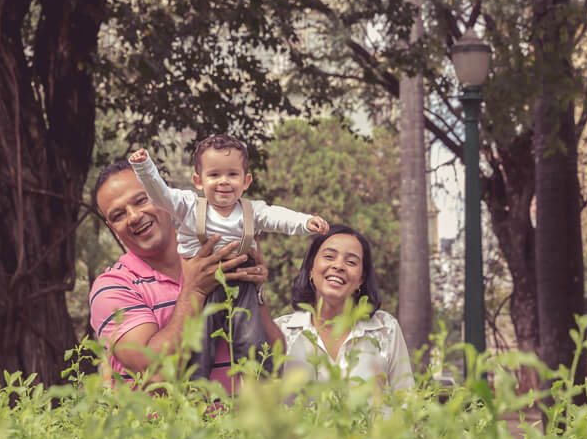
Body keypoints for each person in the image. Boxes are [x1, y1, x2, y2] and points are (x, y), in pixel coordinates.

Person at [128, 135, 327, 379]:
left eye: (232, 175)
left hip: (242, 284)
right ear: (198, 181)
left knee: (252, 339)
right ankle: (194, 395)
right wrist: (145, 167)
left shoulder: (252, 210)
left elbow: (278, 217)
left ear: (246, 181)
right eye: (214, 175)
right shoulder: (189, 207)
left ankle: (260, 394)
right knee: (198, 346)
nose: (224, 182)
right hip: (204, 285)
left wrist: (306, 222)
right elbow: (161, 196)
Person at [89, 158, 282, 395]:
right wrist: (195, 291)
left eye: (141, 200)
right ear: (111, 227)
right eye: (118, 215)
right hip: (165, 431)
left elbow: (274, 359)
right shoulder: (113, 288)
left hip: (236, 429)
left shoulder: (218, 258)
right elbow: (154, 369)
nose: (134, 216)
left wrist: (255, 291)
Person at [274, 225, 414, 391]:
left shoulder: (386, 329)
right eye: (329, 256)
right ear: (311, 268)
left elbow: (406, 401)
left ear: (361, 278)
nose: (339, 266)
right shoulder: (280, 332)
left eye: (351, 262)